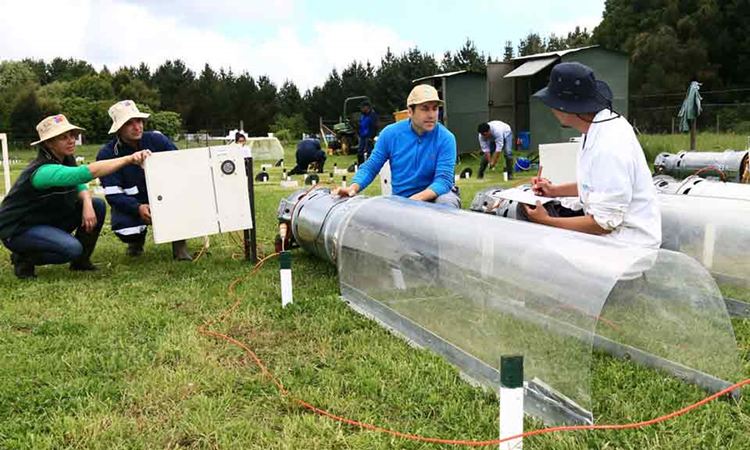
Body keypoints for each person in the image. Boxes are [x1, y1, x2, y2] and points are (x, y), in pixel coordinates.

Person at [520, 62, 661, 249]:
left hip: (627, 247)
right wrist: (553, 190)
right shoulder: (598, 128)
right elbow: (595, 186)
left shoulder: (608, 145)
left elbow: (603, 224)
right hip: (614, 237)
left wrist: (546, 221)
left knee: (541, 252)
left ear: (564, 108)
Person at [0, 115, 151, 279]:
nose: (71, 140)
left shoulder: (65, 158)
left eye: (72, 135)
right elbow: (83, 174)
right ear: (49, 143)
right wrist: (129, 158)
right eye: (63, 138)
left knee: (97, 205)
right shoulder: (42, 171)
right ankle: (23, 258)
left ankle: (80, 263)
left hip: (43, 220)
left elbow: (78, 184)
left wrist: (86, 202)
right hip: (18, 229)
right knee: (71, 249)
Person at [334, 84, 460, 209]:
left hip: (435, 196)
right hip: (402, 198)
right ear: (410, 111)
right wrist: (353, 188)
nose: (431, 115)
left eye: (435, 108)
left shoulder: (446, 138)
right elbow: (371, 167)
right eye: (425, 108)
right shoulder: (390, 134)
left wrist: (414, 201)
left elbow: (443, 181)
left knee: (446, 202)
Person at [96, 100, 192, 260]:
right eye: (129, 123)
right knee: (127, 230)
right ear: (118, 128)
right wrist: (137, 207)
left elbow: (180, 166)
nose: (137, 127)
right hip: (133, 202)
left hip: (166, 196)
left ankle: (179, 245)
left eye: (139, 121)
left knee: (183, 202)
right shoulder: (106, 154)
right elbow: (112, 194)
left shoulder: (157, 140)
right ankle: (135, 241)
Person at [357, 100, 378, 165]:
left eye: (362, 107)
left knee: (369, 152)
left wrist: (371, 137)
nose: (361, 109)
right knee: (360, 151)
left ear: (367, 107)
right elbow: (361, 124)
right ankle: (360, 165)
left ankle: (370, 165)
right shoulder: (362, 115)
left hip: (369, 136)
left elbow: (374, 126)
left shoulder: (373, 115)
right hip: (362, 136)